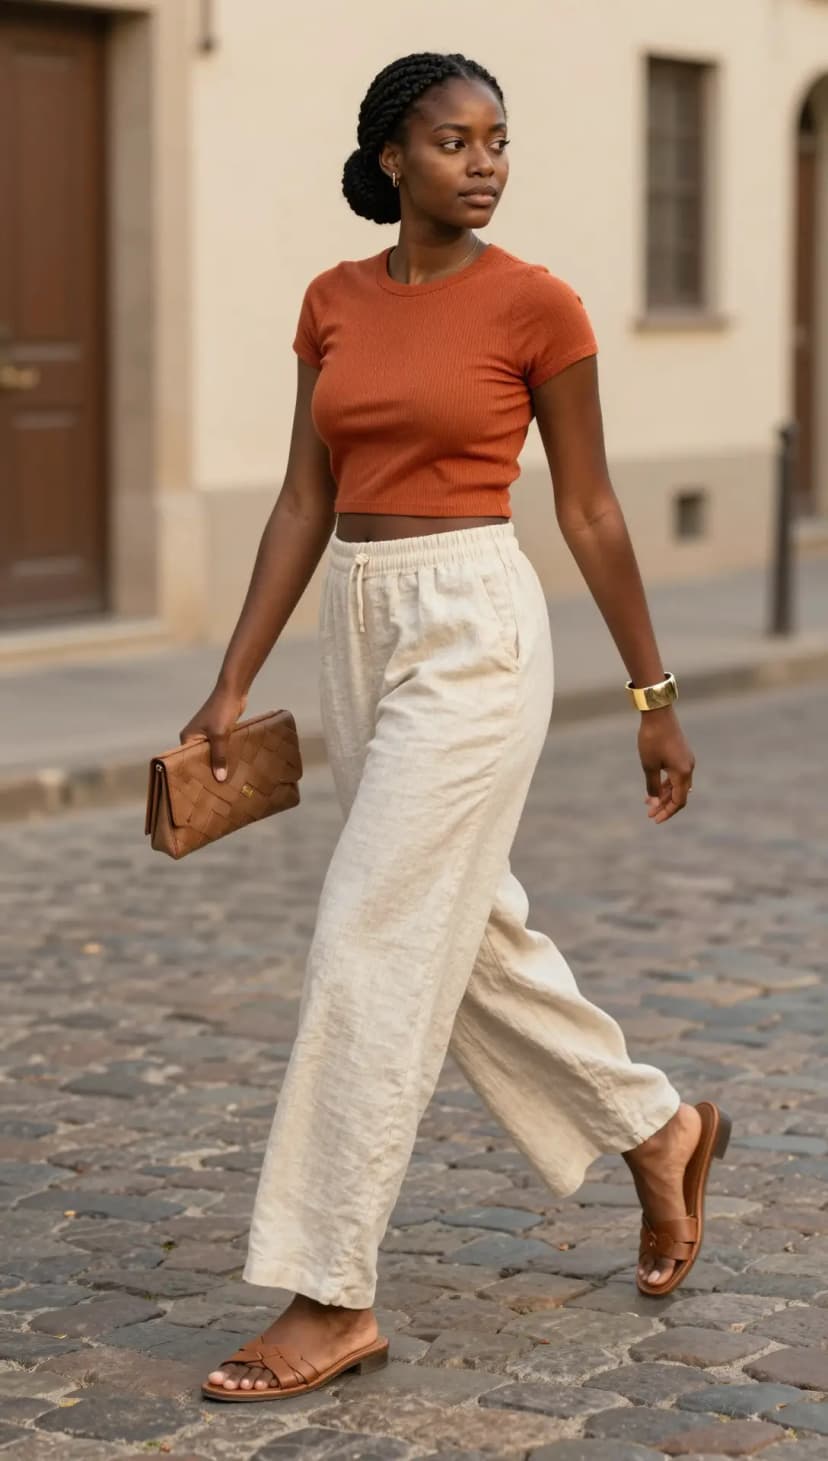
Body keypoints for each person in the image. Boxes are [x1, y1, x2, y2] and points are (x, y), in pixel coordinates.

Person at [187, 52, 730, 1404]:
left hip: (475, 627)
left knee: (371, 933)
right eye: (453, 141)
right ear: (392, 159)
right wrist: (233, 679)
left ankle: (330, 1288)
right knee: (463, 931)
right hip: (358, 622)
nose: (484, 163)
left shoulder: (538, 303)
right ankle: (658, 1128)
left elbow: (590, 507)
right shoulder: (332, 300)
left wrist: (655, 697)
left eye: (498, 140)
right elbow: (304, 499)